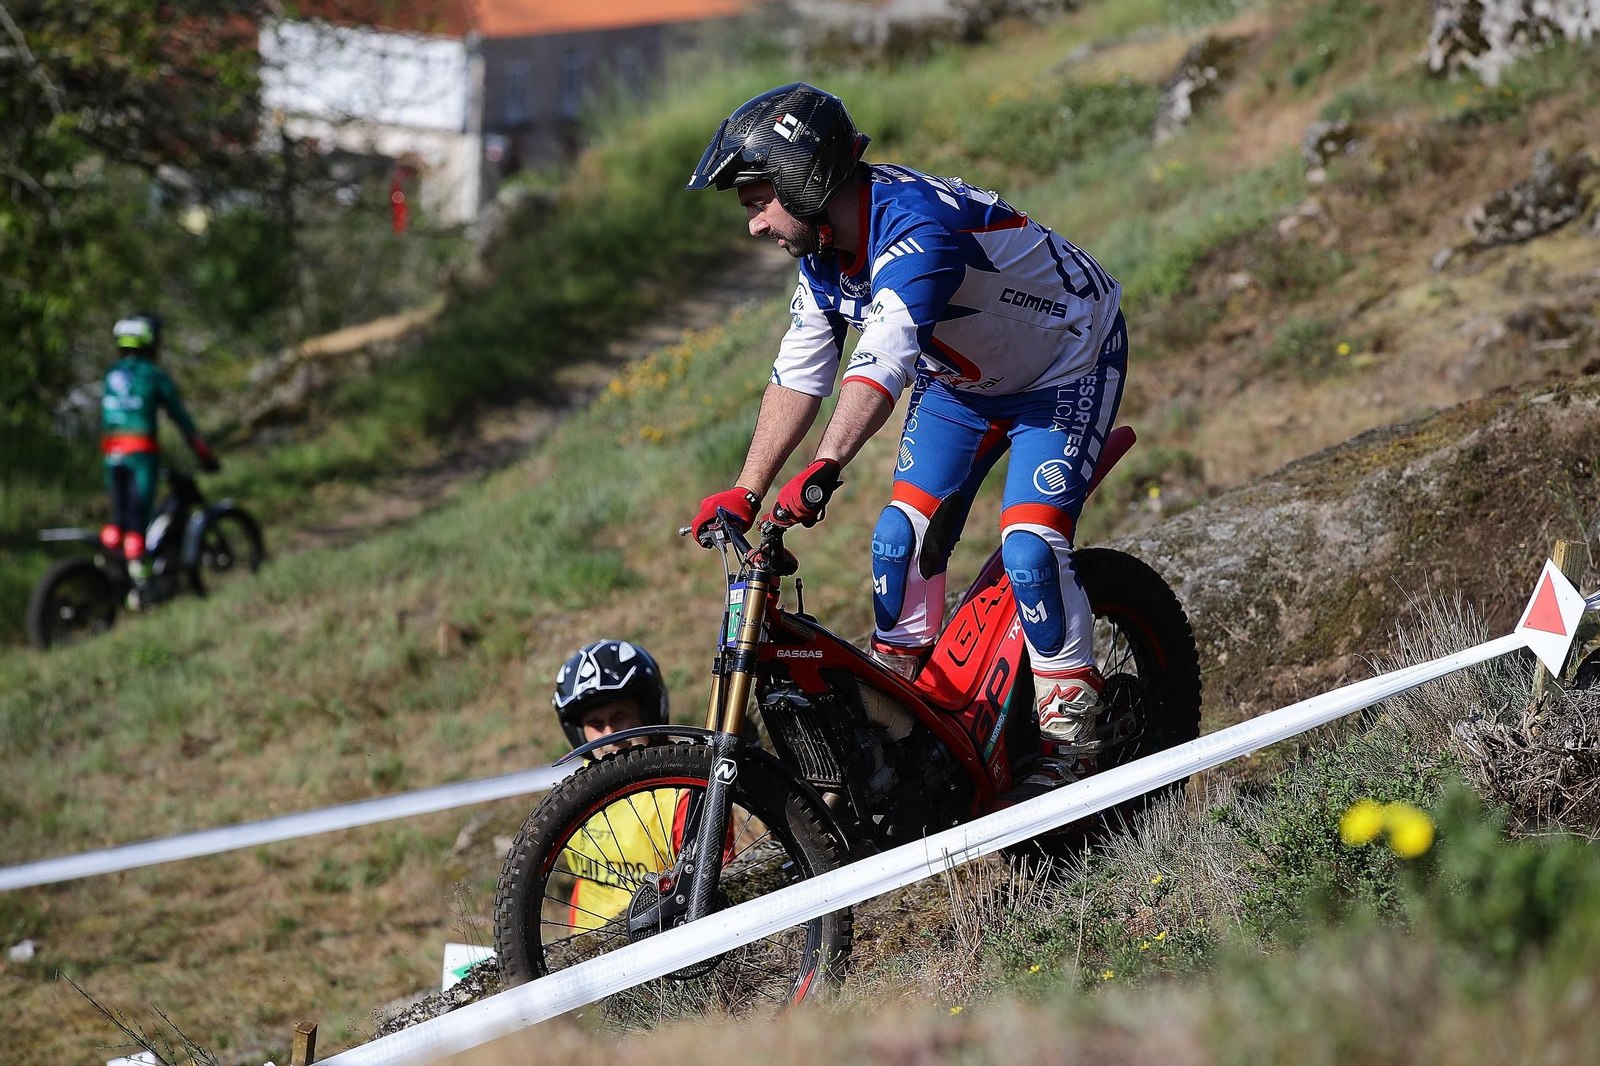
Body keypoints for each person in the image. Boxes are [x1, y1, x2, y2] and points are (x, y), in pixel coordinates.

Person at [684, 84, 1129, 799]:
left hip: (1065, 366)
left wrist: (825, 465)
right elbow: (800, 372)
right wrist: (747, 488)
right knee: (898, 539)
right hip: (963, 382)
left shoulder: (915, 229)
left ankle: (1077, 737)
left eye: (759, 201)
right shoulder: (826, 250)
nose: (755, 225)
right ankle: (908, 719)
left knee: (1030, 549)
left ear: (804, 180)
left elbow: (883, 360)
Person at [550, 640, 677, 930]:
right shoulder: (574, 794)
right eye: (596, 724)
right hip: (586, 945)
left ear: (647, 714)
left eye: (620, 717)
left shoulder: (683, 793)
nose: (610, 735)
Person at [100, 313, 219, 602]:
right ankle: (142, 588)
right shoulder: (152, 375)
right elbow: (180, 418)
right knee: (138, 520)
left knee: (119, 517)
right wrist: (203, 452)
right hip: (140, 454)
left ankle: (106, 567)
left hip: (111, 453)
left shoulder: (112, 374)